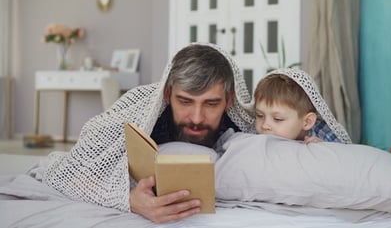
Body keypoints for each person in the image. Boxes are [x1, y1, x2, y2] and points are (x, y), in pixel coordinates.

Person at [40, 43, 255, 223]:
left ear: (228, 100)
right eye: (185, 101)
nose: (197, 118)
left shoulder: (244, 126)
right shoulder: (139, 110)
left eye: (211, 103)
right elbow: (67, 170)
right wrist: (129, 199)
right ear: (168, 94)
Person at [253, 68, 351, 144]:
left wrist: (325, 148)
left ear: (307, 122)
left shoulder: (324, 133)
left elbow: (345, 158)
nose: (265, 125)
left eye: (278, 119)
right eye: (260, 115)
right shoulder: (256, 134)